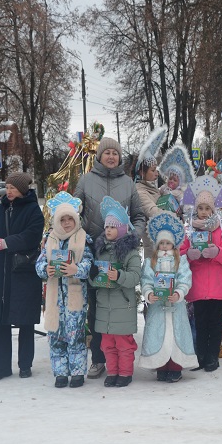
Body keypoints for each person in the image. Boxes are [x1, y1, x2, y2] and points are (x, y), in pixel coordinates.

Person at [74, 135, 147, 380]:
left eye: (115, 153)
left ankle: (123, 356)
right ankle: (98, 358)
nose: (111, 156)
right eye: (107, 153)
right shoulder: (85, 180)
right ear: (99, 156)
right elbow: (76, 213)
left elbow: (139, 215)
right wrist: (81, 240)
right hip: (96, 252)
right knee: (97, 305)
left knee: (121, 302)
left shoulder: (128, 183)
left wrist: (131, 236)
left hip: (122, 252)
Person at [0, 172, 43, 380]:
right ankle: (1, 367)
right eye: (7, 186)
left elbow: (32, 236)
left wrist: (6, 243)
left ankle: (25, 364)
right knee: (0, 319)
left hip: (23, 269)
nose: (9, 190)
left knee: (24, 320)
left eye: (13, 187)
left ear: (22, 189)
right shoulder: (0, 209)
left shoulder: (33, 210)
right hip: (1, 269)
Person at [36, 192, 94, 388]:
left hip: (75, 297)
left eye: (71, 219)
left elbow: (89, 262)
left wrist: (77, 269)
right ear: (57, 221)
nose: (67, 223)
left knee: (75, 335)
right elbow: (40, 263)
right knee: (55, 336)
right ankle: (60, 372)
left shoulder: (83, 238)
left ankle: (77, 372)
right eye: (63, 219)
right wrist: (46, 269)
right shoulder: (50, 239)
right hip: (54, 298)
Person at [180, 175, 222, 372]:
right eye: (200, 208)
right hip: (198, 284)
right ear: (195, 209)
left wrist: (217, 252)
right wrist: (190, 255)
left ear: (213, 210)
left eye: (207, 208)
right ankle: (200, 356)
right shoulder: (188, 230)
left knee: (214, 322)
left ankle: (212, 357)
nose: (203, 212)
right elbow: (179, 252)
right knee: (200, 322)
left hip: (217, 286)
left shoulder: (219, 230)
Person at [88, 197, 142, 388]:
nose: (108, 230)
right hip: (104, 306)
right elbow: (95, 280)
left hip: (122, 305)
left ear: (121, 229)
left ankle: (125, 372)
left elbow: (135, 276)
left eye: (112, 227)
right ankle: (112, 372)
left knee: (123, 344)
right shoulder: (100, 251)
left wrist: (118, 275)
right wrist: (92, 275)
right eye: (106, 227)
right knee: (107, 344)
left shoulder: (130, 253)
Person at [139, 211, 196, 382]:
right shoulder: (151, 262)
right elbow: (146, 279)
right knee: (159, 335)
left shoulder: (180, 261)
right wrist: (149, 293)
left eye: (167, 243)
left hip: (175, 307)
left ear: (173, 244)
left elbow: (185, 278)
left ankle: (175, 366)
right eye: (161, 243)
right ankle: (161, 366)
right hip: (158, 307)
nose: (164, 246)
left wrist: (179, 293)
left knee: (176, 335)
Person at [134, 126, 169, 262]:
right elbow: (152, 211)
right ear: (142, 173)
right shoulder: (139, 190)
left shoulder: (152, 188)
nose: (156, 173)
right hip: (153, 247)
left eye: (157, 169)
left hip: (162, 243)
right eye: (153, 170)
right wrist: (173, 216)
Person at [158, 142, 195, 207]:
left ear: (179, 183)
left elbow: (185, 204)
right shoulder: (164, 188)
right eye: (170, 178)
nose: (171, 181)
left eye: (175, 180)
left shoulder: (180, 193)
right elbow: (157, 193)